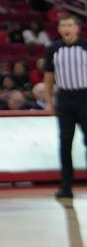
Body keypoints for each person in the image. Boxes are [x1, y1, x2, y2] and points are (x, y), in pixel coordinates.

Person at [44, 15, 87, 199]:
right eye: (63, 25)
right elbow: (48, 76)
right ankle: (66, 186)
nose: (67, 28)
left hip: (85, 97)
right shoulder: (53, 49)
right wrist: (49, 101)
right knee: (65, 143)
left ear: (77, 28)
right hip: (65, 99)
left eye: (70, 25)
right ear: (59, 29)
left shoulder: (85, 47)